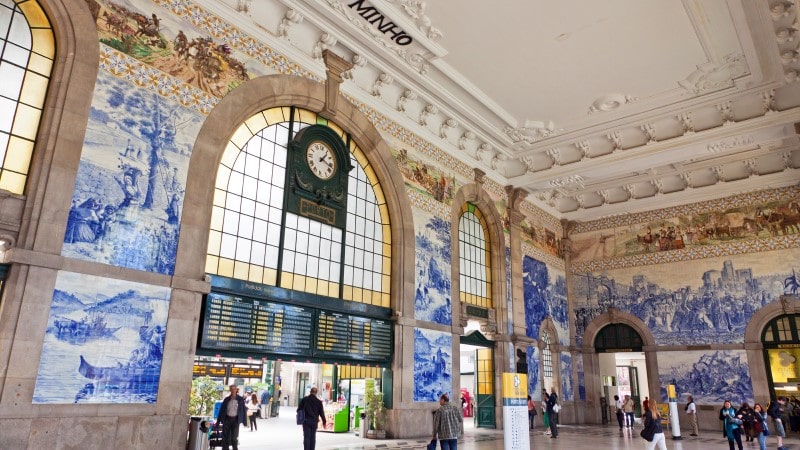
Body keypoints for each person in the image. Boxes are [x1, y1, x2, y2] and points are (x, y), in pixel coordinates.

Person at [219, 384, 246, 450]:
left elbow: (243, 410)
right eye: (231, 389)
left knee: (234, 437)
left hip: (235, 420)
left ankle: (235, 448)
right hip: (227, 419)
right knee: (225, 437)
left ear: (236, 390)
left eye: (234, 389)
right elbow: (222, 410)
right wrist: (218, 421)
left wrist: (245, 421)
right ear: (230, 390)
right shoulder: (226, 399)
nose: (233, 390)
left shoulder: (240, 399)